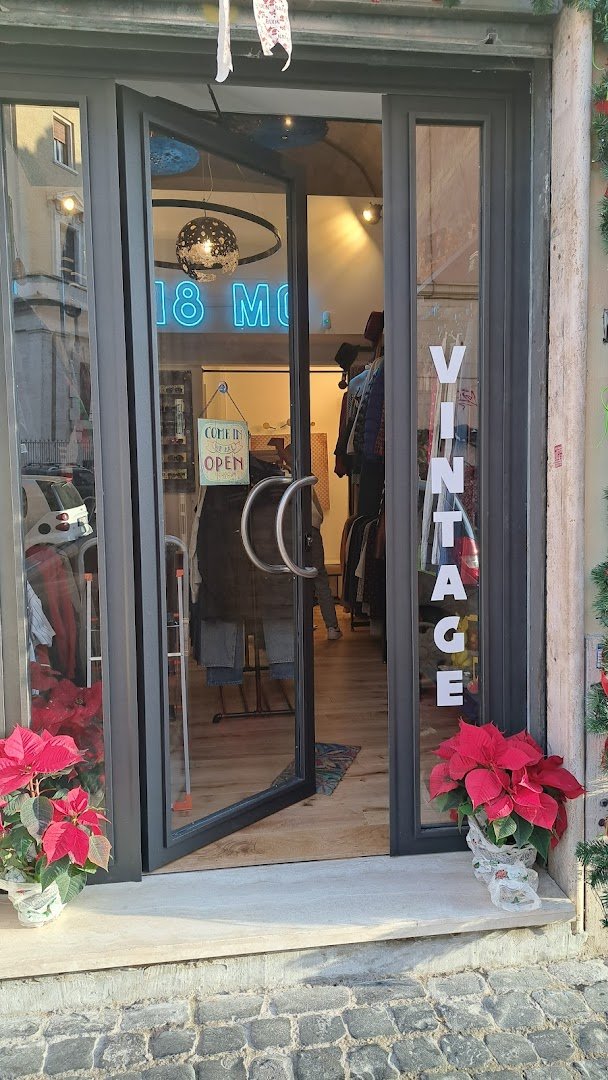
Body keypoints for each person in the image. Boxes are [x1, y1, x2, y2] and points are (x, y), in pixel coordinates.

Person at [275, 442, 342, 640]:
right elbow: (317, 512)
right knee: (319, 577)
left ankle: (302, 622)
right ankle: (332, 627)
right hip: (310, 530)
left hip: (288, 532)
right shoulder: (305, 478)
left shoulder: (282, 477)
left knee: (293, 576)